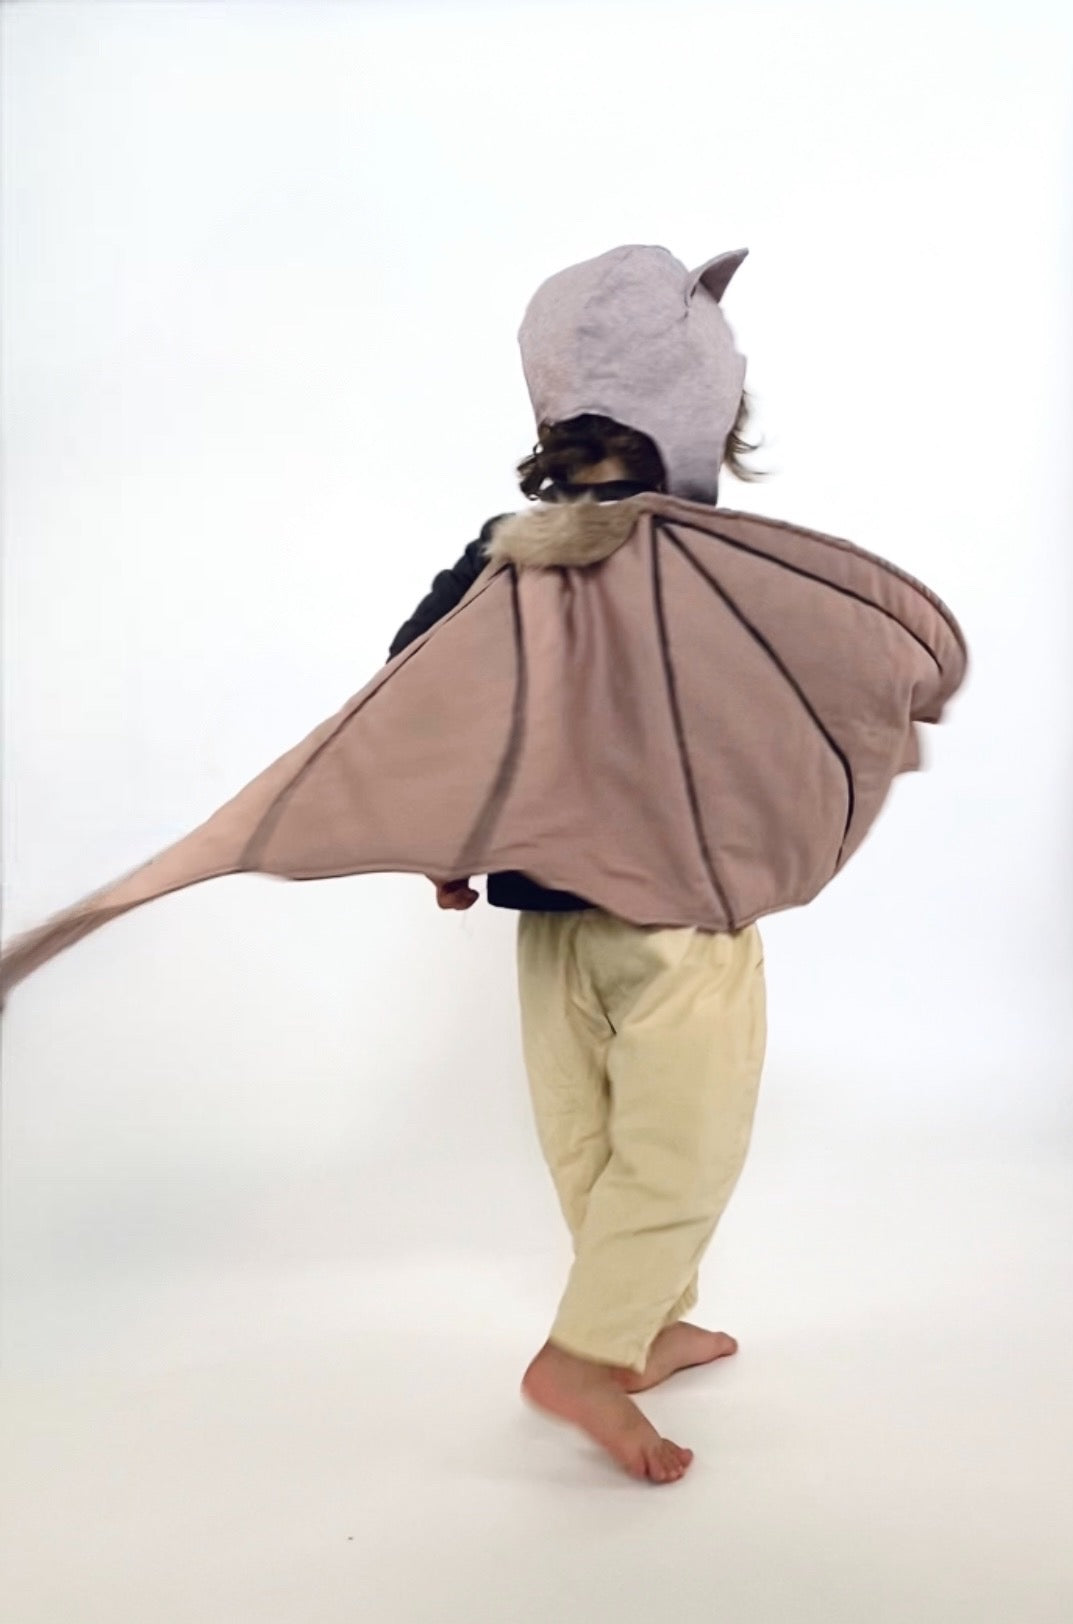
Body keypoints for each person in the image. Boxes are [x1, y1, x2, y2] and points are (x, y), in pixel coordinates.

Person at [389, 402, 768, 1486]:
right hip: (679, 901)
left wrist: (445, 837)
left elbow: (413, 693)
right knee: (683, 1141)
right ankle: (582, 1356)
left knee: (587, 1134)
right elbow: (763, 722)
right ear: (700, 423)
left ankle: (641, 1328)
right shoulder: (708, 558)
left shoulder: (497, 558)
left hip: (548, 901)